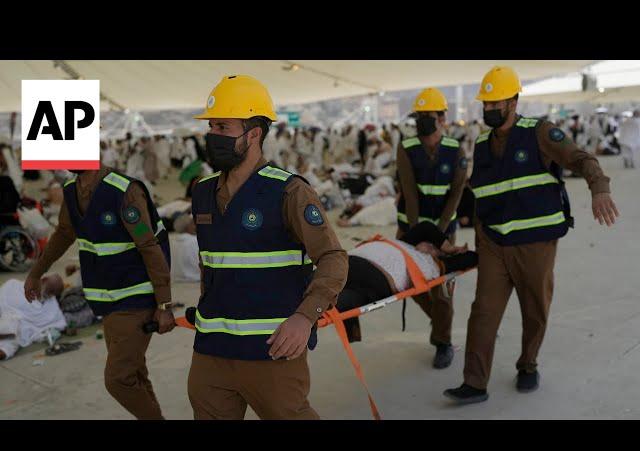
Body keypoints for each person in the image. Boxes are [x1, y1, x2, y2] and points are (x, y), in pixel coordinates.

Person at [444, 66, 620, 404]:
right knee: (483, 312)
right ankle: (475, 383)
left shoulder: (539, 132)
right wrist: (477, 237)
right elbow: (482, 196)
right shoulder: (481, 144)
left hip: (535, 243)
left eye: (497, 103)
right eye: (487, 103)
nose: (490, 109)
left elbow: (581, 159)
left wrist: (599, 188)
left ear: (513, 102)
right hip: (495, 244)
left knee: (534, 310)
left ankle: (528, 364)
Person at [188, 75, 348, 420]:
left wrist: (306, 317)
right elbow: (211, 265)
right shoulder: (202, 192)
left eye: (223, 127)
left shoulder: (289, 192)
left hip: (271, 350)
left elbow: (334, 258)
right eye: (211, 126)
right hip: (211, 351)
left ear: (254, 134)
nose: (212, 135)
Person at [24, 160, 175, 420]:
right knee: (134, 374)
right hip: (106, 301)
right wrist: (36, 272)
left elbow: (149, 246)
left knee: (117, 379)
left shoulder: (124, 191)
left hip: (136, 298)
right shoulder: (71, 189)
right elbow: (63, 233)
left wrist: (164, 305)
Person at [395, 87, 468, 369]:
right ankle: (440, 322)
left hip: (444, 230)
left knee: (441, 290)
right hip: (410, 229)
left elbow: (456, 193)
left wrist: (437, 237)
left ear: (442, 118)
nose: (424, 120)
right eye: (420, 115)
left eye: (430, 115)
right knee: (406, 283)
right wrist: (418, 237)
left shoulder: (455, 149)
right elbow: (410, 194)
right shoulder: (407, 148)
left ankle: (443, 342)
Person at [337, 221, 477, 343]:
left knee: (343, 299)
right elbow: (425, 227)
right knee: (331, 284)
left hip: (376, 277)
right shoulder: (405, 243)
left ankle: (326, 306)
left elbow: (472, 258)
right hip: (349, 262)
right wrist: (448, 247)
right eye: (429, 243)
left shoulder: (434, 264)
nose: (428, 246)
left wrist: (448, 253)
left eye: (433, 247)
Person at [0, 275, 66, 360]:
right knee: (10, 324)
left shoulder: (51, 301)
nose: (50, 295)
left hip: (21, 332)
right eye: (50, 291)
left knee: (9, 347)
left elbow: (59, 321)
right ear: (43, 280)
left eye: (53, 294)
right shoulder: (14, 286)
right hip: (7, 320)